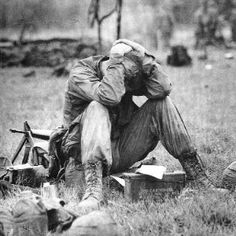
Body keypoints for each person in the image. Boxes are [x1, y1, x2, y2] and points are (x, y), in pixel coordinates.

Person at [53, 39, 213, 211]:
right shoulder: (81, 72)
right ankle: (93, 192)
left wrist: (145, 58)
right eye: (126, 79)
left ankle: (198, 177)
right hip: (81, 163)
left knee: (161, 103)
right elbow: (109, 96)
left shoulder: (129, 72)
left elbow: (163, 88)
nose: (129, 86)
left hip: (119, 152)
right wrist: (117, 66)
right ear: (112, 68)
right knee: (97, 106)